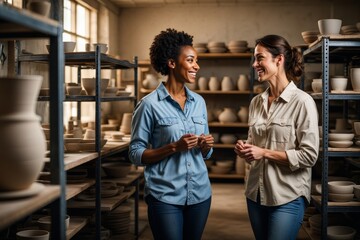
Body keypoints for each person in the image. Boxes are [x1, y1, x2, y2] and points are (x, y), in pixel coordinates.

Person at [129, 28, 214, 240]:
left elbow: (206, 154)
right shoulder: (149, 105)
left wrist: (206, 146)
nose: (197, 66)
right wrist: (174, 147)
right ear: (172, 63)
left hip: (200, 195)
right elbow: (135, 153)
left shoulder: (199, 102)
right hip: (164, 196)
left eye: (197, 61)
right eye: (191, 60)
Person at [234, 34, 319, 240]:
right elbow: (254, 145)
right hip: (255, 194)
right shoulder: (256, 102)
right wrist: (246, 149)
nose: (255, 64)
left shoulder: (302, 102)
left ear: (279, 59)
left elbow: (309, 156)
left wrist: (263, 152)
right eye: (255, 59)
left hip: (287, 197)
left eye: (260, 58)